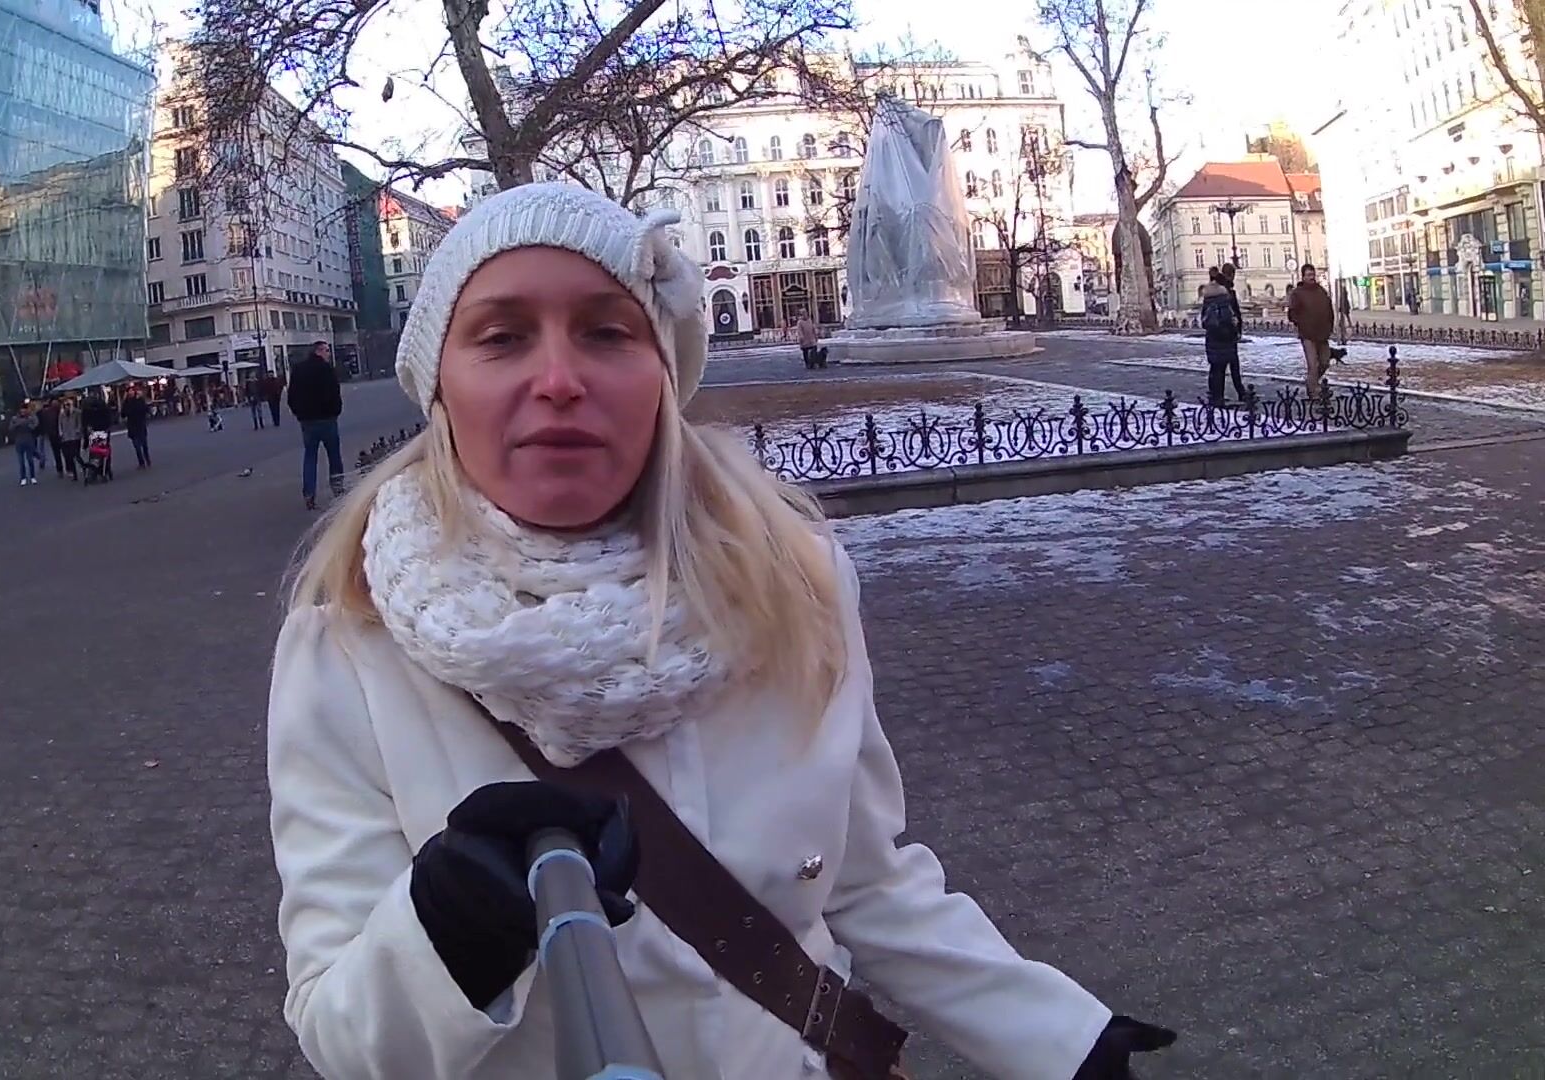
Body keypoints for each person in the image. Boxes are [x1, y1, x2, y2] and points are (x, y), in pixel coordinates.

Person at [266, 182, 1175, 1080]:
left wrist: (1058, 1039)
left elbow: (865, 881)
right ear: (440, 387)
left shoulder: (792, 585)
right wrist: (442, 936)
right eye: (501, 338)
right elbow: (340, 1035)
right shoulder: (347, 646)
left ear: (664, 375)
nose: (559, 380)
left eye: (607, 332)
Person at [286, 340, 344, 510]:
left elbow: (291, 395)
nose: (329, 354)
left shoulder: (298, 369)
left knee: (310, 457)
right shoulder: (327, 370)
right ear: (318, 351)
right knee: (334, 455)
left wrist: (299, 414)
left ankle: (309, 494)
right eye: (326, 350)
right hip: (327, 419)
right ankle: (338, 488)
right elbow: (335, 393)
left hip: (308, 421)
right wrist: (335, 411)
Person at [1288, 263, 1337, 401]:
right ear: (1303, 276)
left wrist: (1329, 325)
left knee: (1325, 362)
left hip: (1322, 334)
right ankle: (1314, 391)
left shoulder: (1320, 291)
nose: (1311, 277)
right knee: (1313, 364)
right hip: (1307, 334)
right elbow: (1292, 313)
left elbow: (1329, 308)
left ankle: (1311, 382)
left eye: (1313, 275)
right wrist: (1301, 323)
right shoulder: (1298, 293)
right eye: (1308, 275)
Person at [1199, 267, 1246, 405]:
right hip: (1227, 336)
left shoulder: (1208, 297)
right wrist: (1236, 329)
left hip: (1212, 337)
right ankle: (1240, 393)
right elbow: (1233, 315)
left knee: (1216, 367)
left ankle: (1215, 395)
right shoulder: (1226, 296)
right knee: (1232, 365)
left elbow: (1204, 319)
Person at [7, 403, 39, 485]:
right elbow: (10, 428)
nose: (23, 411)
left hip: (28, 440)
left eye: (25, 410)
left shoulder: (30, 417)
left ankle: (32, 477)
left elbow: (35, 425)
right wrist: (17, 425)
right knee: (21, 462)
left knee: (30, 460)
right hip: (19, 441)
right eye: (22, 410)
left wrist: (28, 424)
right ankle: (23, 477)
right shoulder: (15, 418)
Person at [121, 386, 153, 468]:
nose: (131, 392)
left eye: (132, 391)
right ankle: (141, 462)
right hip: (132, 425)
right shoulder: (126, 403)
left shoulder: (139, 400)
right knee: (137, 446)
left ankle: (147, 459)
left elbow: (145, 409)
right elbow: (123, 414)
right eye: (129, 391)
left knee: (144, 444)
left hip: (140, 424)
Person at [56, 394, 83, 480]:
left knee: (76, 455)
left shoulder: (77, 412)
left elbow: (79, 423)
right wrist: (61, 433)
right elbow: (59, 424)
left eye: (68, 405)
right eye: (65, 405)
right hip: (66, 437)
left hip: (75, 437)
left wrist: (78, 431)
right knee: (69, 456)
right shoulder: (62, 414)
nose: (66, 407)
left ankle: (83, 466)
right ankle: (74, 473)